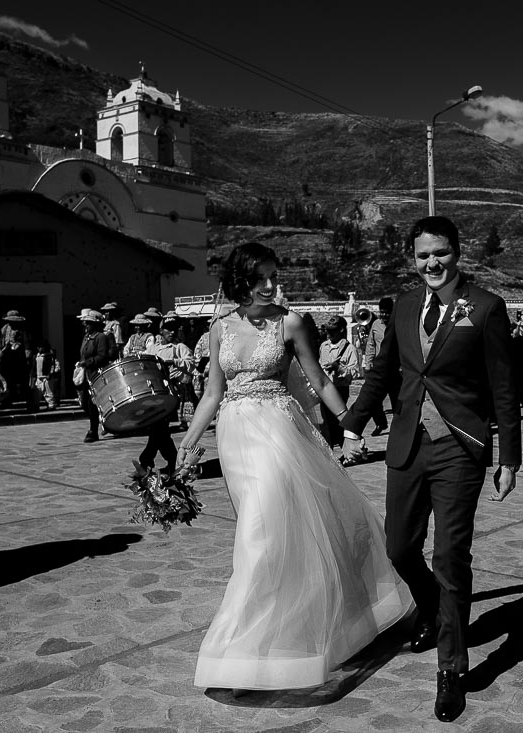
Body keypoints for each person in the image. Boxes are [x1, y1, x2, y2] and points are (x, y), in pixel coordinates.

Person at [177, 242, 412, 692]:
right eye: (260, 277)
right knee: (263, 531)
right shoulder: (219, 328)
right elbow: (212, 391)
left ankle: (251, 647)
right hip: (234, 437)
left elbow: (319, 379)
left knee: (262, 537)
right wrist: (187, 444)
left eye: (273, 275)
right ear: (240, 280)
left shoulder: (290, 322)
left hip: (279, 434)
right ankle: (270, 640)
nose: (270, 285)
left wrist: (350, 426)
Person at [339, 216, 521, 722]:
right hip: (407, 446)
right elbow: (383, 373)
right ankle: (432, 611)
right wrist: (353, 423)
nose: (432, 263)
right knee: (398, 546)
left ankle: (452, 668)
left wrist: (509, 455)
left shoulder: (485, 307)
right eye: (422, 256)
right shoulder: (402, 306)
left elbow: (504, 387)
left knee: (450, 557)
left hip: (459, 447)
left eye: (440, 253)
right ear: (412, 260)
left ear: (456, 253)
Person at [318, 314, 359, 447]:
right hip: (325, 389)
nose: (328, 334)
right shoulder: (324, 346)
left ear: (341, 330)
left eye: (332, 331)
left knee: (338, 420)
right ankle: (331, 447)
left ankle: (347, 447)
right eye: (327, 331)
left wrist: (339, 368)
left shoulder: (350, 349)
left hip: (340, 389)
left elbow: (355, 372)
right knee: (327, 421)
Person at [76, 309, 112, 443]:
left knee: (92, 404)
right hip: (86, 374)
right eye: (84, 323)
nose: (85, 325)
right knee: (84, 402)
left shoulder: (100, 337)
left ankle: (93, 431)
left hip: (96, 374)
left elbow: (103, 356)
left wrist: (88, 362)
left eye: (88, 323)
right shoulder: (86, 338)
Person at [361, 302, 390, 436]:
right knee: (373, 400)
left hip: (396, 369)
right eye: (382, 311)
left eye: (386, 312)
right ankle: (381, 423)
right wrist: (368, 364)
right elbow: (371, 345)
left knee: (399, 401)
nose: (384, 314)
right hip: (378, 368)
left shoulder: (398, 322)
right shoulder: (376, 324)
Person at [0, 310, 31, 411]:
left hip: (19, 357)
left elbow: (27, 343)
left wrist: (27, 356)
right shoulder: (4, 329)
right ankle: (7, 400)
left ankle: (28, 400)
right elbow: (1, 342)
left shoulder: (23, 330)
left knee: (22, 380)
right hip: (6, 357)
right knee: (7, 379)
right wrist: (0, 353)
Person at [32, 339, 60, 410]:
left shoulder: (49, 356)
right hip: (38, 377)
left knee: (48, 392)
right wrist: (33, 376)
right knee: (37, 393)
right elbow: (34, 368)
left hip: (46, 377)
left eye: (41, 347)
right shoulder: (36, 356)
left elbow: (53, 366)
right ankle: (35, 405)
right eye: (38, 347)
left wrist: (50, 374)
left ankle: (51, 405)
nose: (39, 349)